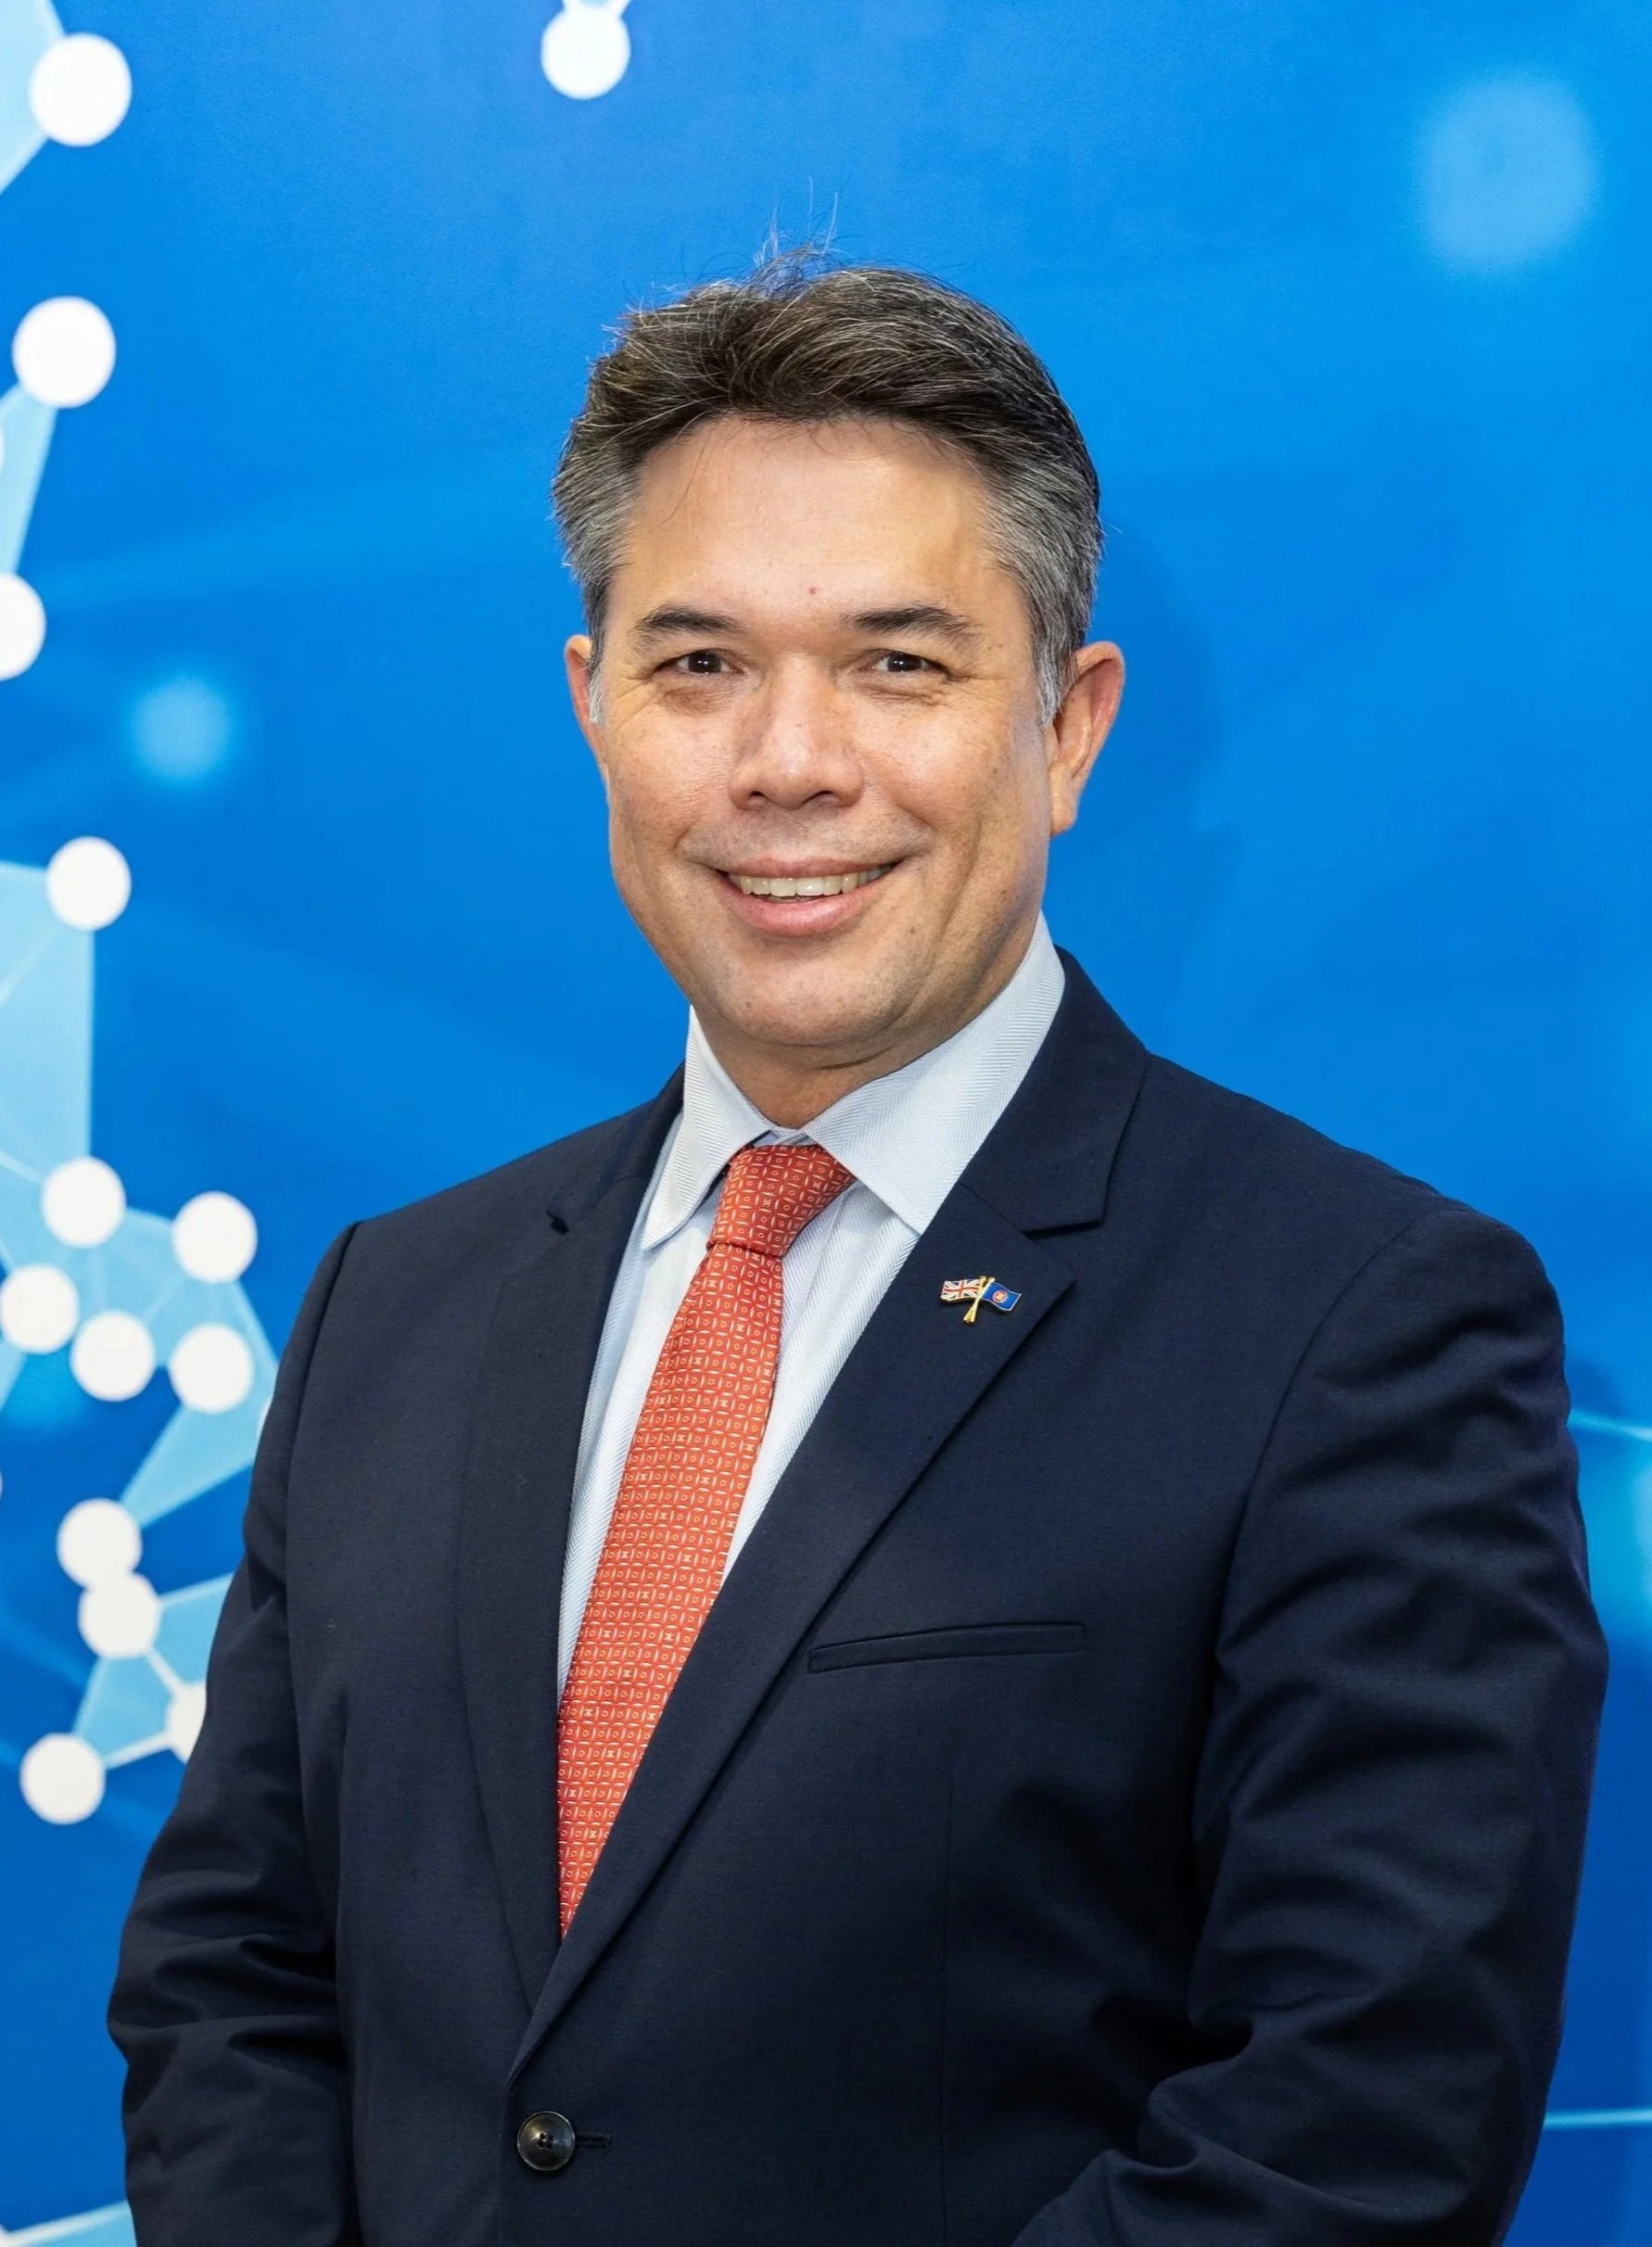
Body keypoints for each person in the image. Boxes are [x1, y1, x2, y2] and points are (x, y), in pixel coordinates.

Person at [108, 253, 1607, 2247]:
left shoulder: (1360, 1321)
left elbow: (1356, 2123)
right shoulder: (402, 1299)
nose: (787, 763)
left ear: (1069, 730)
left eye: (899, 664)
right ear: (594, 710)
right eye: (699, 663)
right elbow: (234, 1985)